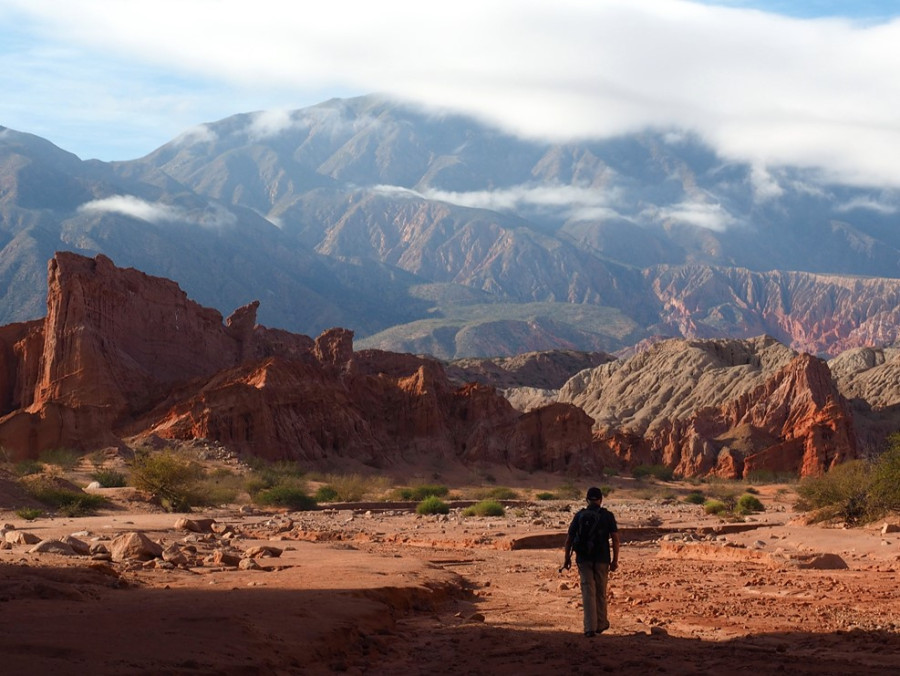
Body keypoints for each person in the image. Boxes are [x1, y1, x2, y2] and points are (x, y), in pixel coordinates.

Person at [563, 486, 620, 637]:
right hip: (602, 559)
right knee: (600, 592)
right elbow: (615, 539)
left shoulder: (580, 515)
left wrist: (566, 559)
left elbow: (569, 539)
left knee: (588, 591)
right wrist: (615, 560)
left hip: (583, 559)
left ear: (587, 500)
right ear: (601, 500)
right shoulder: (607, 516)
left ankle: (589, 628)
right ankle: (601, 624)